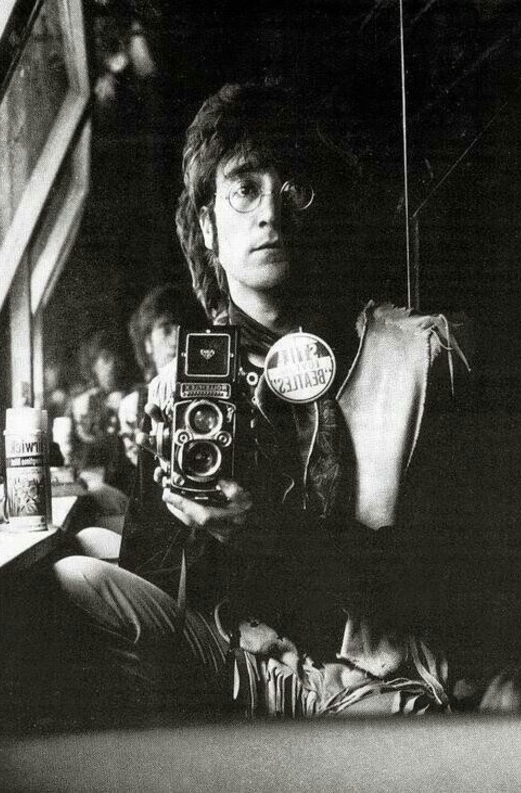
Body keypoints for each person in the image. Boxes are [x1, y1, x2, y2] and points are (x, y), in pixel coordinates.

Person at [53, 82, 473, 720]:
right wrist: (175, 508)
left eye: (291, 189)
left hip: (370, 654)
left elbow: (440, 574)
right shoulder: (191, 380)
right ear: (207, 226)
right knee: (77, 569)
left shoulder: (404, 357)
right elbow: (166, 572)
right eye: (244, 189)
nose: (270, 213)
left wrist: (271, 535)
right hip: (253, 655)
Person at [118, 283, 204, 468]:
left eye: (184, 329)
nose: (177, 339)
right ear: (147, 343)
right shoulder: (131, 406)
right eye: (166, 329)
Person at [68, 329, 131, 493]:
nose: (113, 365)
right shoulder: (83, 402)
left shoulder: (133, 398)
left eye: (117, 359)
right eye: (106, 359)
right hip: (91, 484)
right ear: (93, 365)